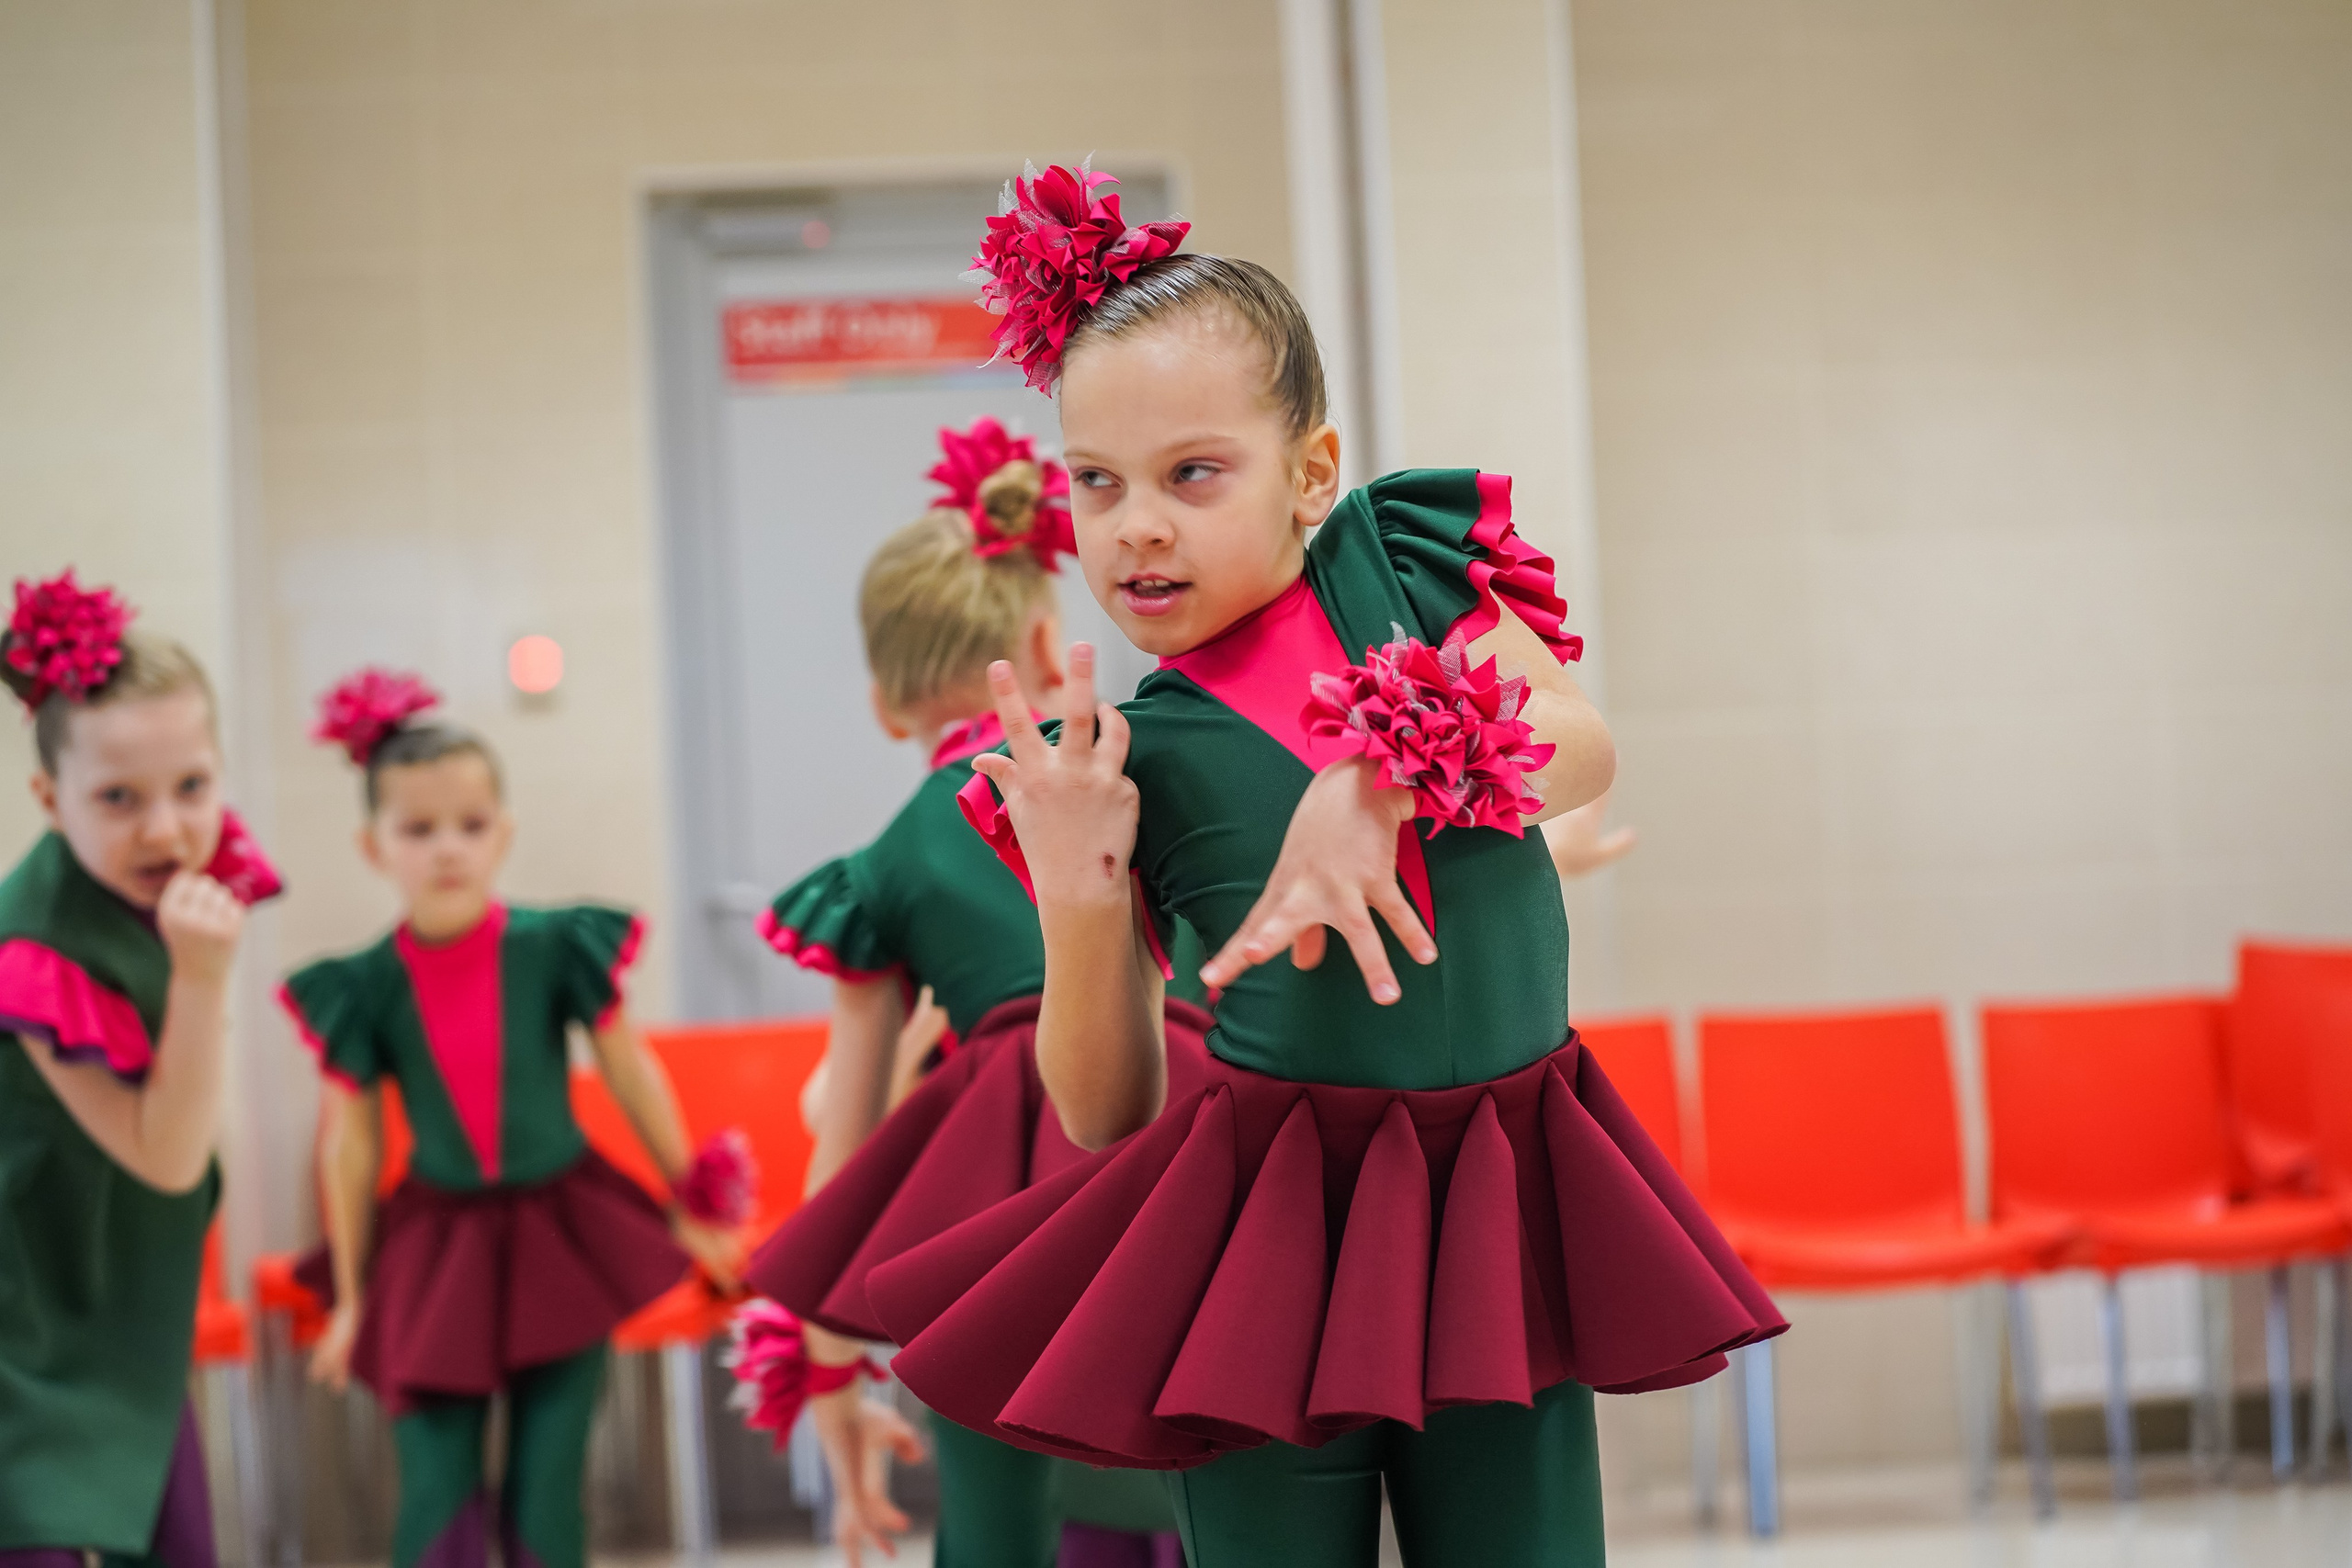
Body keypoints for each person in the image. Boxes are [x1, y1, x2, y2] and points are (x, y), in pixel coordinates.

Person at [859, 164, 1786, 1567]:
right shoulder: (1127, 751)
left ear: (1309, 471)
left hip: (1494, 1193)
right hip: (1266, 1232)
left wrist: (1377, 774)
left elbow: (1583, 741)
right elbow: (1103, 1107)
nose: (1138, 523)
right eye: (1098, 482)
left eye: (1193, 473)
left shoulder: (1403, 570)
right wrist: (1080, 890)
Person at [734, 418, 1205, 1568]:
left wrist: (825, 1372)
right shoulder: (1144, 764)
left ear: (886, 707)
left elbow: (844, 1143)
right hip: (1188, 1114)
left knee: (992, 1484)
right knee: (1214, 1449)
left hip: (991, 1169)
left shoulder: (892, 855)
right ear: (1046, 641)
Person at [283, 669, 749, 1568]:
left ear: (504, 831)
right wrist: (352, 1294)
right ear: (374, 846)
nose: (447, 848)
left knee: (548, 1488)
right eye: (418, 829)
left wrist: (687, 1201)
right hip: (433, 1250)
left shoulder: (552, 947)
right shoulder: (364, 986)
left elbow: (629, 1070)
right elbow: (351, 1142)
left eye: (470, 824)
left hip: (562, 1234)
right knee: (434, 1487)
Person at [0, 570, 281, 1568]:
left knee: (176, 1540)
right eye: (119, 798)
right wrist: (202, 981)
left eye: (192, 787)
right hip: (26, 1315)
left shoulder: (164, 883)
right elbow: (165, 1155)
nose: (165, 828)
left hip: (121, 1292)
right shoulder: (33, 947)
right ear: (50, 799)